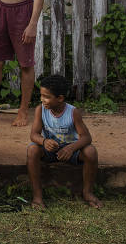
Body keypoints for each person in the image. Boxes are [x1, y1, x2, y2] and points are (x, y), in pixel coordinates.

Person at [27, 73, 102, 210]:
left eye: (46, 97)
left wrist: (71, 148)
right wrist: (44, 142)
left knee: (91, 151)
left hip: (70, 151)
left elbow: (86, 137)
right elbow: (34, 135)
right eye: (41, 95)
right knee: (32, 150)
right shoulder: (40, 110)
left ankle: (87, 192)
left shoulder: (73, 112)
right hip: (50, 150)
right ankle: (37, 197)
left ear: (60, 98)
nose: (42, 99)